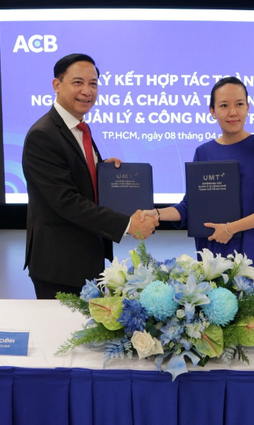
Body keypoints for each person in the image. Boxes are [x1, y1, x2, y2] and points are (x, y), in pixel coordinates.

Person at [23, 53, 157, 299]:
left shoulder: (79, 128)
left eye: (93, 83)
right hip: (60, 265)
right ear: (57, 85)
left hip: (85, 256)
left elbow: (75, 175)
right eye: (78, 82)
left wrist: (100, 170)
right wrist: (128, 225)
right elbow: (66, 201)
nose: (87, 91)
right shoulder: (43, 135)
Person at [142, 77, 254, 282]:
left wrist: (230, 229)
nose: (233, 112)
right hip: (213, 254)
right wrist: (157, 213)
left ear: (248, 107)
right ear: (212, 111)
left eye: (239, 104)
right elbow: (191, 206)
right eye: (224, 105)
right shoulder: (203, 152)